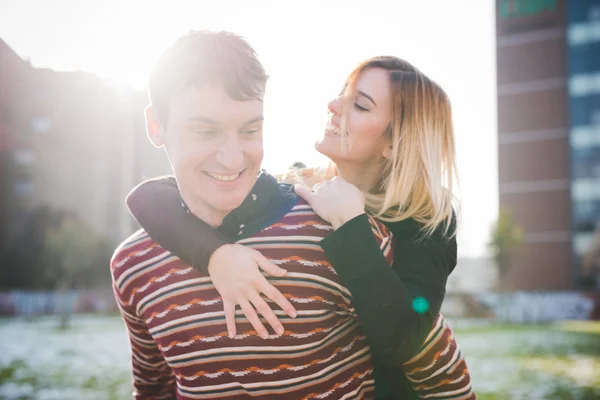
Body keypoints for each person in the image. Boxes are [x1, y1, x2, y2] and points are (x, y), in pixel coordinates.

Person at [127, 55, 475, 399]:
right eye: (343, 92)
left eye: (360, 105)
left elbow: (405, 340)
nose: (334, 105)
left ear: (394, 142)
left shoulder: (427, 221)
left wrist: (351, 225)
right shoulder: (300, 189)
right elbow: (149, 198)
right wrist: (216, 256)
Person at [110, 30, 391, 399]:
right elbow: (153, 391)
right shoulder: (133, 265)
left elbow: (417, 365)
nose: (232, 157)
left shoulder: (335, 232)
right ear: (155, 126)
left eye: (250, 129)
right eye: (205, 131)